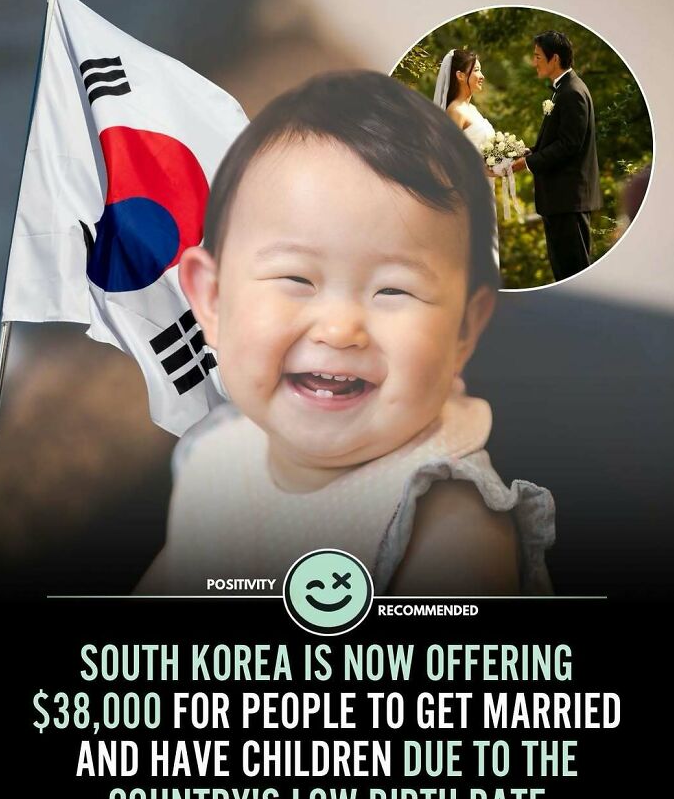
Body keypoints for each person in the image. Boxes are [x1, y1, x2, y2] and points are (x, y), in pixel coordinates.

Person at [136, 71, 554, 596]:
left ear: (464, 329)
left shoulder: (450, 527)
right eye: (295, 279)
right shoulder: (216, 458)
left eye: (394, 291)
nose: (340, 330)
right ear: (213, 301)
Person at [512, 30, 601, 281]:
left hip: (568, 200)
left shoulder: (572, 93)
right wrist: (531, 151)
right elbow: (560, 140)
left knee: (574, 275)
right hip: (561, 201)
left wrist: (528, 163)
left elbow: (569, 145)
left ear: (555, 59)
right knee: (564, 274)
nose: (534, 62)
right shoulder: (563, 90)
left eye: (538, 56)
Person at [434, 49, 500, 264]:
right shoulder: (455, 112)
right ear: (461, 75)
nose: (482, 76)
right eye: (477, 70)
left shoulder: (472, 110)